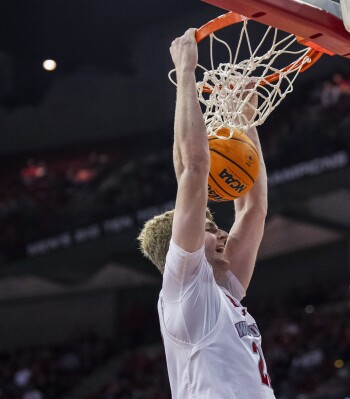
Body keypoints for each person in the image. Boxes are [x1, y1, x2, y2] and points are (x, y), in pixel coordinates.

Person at [137, 29, 273, 398]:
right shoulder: (185, 287)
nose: (224, 233)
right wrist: (185, 73)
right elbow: (194, 168)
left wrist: (246, 120)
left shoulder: (223, 289)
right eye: (211, 227)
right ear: (181, 248)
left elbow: (253, 207)